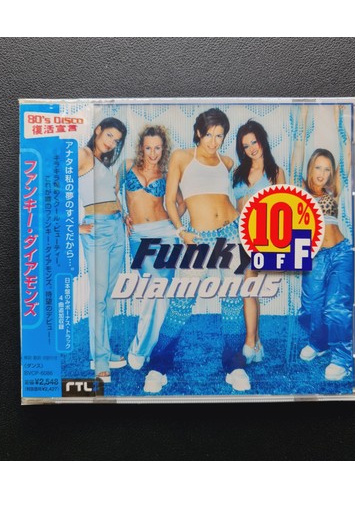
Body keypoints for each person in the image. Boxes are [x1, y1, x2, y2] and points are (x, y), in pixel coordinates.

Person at [143, 108, 250, 393]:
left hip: (231, 234)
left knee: (232, 302)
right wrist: (181, 231)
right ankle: (158, 367)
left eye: (220, 136)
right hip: (197, 238)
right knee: (181, 301)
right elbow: (169, 200)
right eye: (209, 135)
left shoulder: (226, 162)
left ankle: (235, 365)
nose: (214, 141)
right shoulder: (182, 157)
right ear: (199, 133)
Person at [291, 105, 353, 381]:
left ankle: (342, 358)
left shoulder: (334, 190)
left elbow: (347, 151)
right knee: (311, 308)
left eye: (327, 169)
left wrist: (340, 119)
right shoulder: (299, 188)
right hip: (313, 256)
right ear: (310, 168)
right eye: (318, 167)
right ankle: (318, 343)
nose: (322, 173)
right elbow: (298, 148)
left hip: (340, 252)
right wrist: (304, 117)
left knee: (336, 306)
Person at [119, 125, 185, 370]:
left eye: (158, 148)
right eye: (148, 148)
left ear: (163, 149)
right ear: (141, 148)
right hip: (139, 235)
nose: (153, 153)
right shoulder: (127, 167)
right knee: (152, 291)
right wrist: (122, 214)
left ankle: (143, 350)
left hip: (165, 235)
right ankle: (147, 348)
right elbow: (112, 193)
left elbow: (181, 203)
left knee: (159, 294)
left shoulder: (167, 174)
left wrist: (173, 226)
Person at [78, 117, 127, 382]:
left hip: (117, 228)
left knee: (108, 295)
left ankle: (103, 352)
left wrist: (124, 214)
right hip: (97, 230)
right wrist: (74, 225)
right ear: (97, 130)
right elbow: (54, 186)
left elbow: (111, 195)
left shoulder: (103, 164)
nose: (111, 143)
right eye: (109, 136)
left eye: (116, 141)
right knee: (99, 296)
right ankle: (99, 362)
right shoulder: (83, 154)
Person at [233, 119, 286, 364]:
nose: (251, 148)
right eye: (246, 146)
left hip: (264, 238)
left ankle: (250, 343)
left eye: (254, 142)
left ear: (262, 140)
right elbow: (234, 207)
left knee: (249, 289)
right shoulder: (238, 173)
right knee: (249, 290)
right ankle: (255, 343)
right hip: (241, 236)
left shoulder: (275, 172)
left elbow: (283, 209)